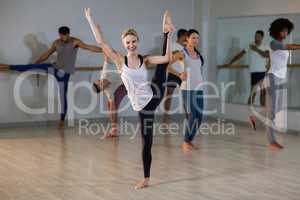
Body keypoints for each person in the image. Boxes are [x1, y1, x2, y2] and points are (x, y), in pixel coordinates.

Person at [84, 8, 174, 189]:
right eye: (128, 42)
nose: (131, 45)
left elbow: (167, 57)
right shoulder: (119, 60)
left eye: (134, 41)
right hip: (140, 106)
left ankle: (165, 30)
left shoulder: (145, 59)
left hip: (153, 98)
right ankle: (146, 178)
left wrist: (170, 36)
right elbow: (101, 42)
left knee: (162, 67)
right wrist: (90, 20)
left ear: (138, 41)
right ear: (124, 44)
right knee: (146, 141)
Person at [0, 26, 102, 127]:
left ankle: (62, 120)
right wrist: (37, 64)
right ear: (60, 35)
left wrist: (104, 50)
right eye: (62, 36)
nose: (64, 38)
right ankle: (7, 66)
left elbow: (89, 47)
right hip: (54, 67)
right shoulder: (56, 43)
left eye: (66, 36)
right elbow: (47, 54)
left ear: (68, 34)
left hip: (65, 74)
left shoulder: (75, 42)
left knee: (63, 96)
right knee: (29, 67)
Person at [262, 18, 300, 150]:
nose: (285, 33)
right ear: (277, 30)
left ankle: (254, 119)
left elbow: (270, 62)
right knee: (272, 111)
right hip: (272, 78)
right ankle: (271, 141)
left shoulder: (280, 44)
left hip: (279, 79)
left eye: (287, 31)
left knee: (275, 108)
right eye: (283, 30)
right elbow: (289, 47)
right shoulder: (274, 43)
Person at [227, 30, 269, 130]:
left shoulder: (265, 46)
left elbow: (265, 55)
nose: (256, 38)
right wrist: (230, 62)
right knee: (253, 93)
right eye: (255, 36)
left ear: (262, 37)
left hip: (263, 72)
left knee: (263, 92)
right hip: (254, 73)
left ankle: (262, 117)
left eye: (258, 36)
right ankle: (249, 115)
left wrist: (256, 49)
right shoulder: (249, 45)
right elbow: (240, 54)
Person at [174, 29, 204, 152]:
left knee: (200, 116)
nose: (196, 40)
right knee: (192, 116)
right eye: (193, 38)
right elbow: (167, 66)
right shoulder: (182, 53)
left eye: (197, 38)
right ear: (187, 39)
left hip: (199, 88)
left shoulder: (198, 54)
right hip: (187, 88)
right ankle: (186, 141)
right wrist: (179, 74)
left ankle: (190, 140)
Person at [92, 53, 127, 137]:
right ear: (102, 88)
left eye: (99, 81)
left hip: (127, 69)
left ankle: (114, 129)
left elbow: (106, 58)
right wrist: (113, 127)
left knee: (111, 105)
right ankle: (114, 130)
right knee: (111, 107)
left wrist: (104, 48)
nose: (101, 81)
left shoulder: (104, 73)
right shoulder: (109, 91)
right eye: (100, 84)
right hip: (125, 86)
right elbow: (112, 110)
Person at [162, 29, 188, 125]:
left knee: (186, 96)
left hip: (183, 74)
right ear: (182, 36)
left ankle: (189, 118)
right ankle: (165, 119)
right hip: (173, 73)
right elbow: (169, 60)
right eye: (186, 36)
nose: (187, 38)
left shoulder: (186, 48)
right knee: (169, 96)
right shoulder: (172, 46)